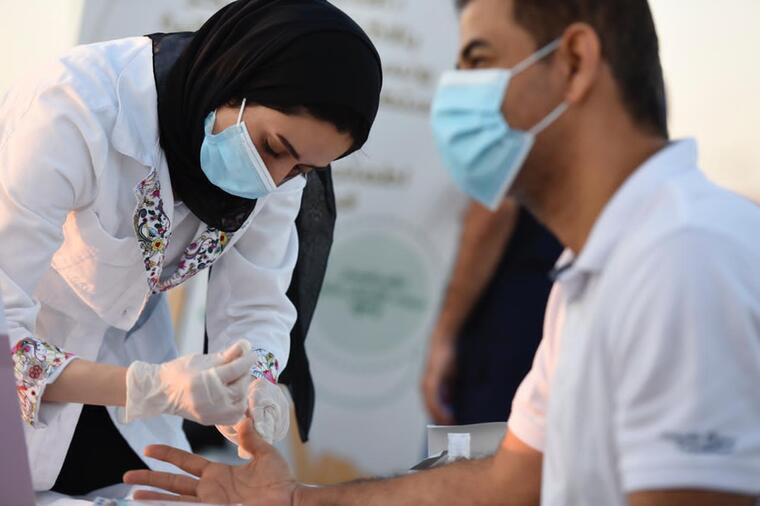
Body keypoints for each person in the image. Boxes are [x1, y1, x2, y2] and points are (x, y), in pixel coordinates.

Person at [123, 0, 760, 504]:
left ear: (574, 61)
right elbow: (511, 482)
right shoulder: (600, 271)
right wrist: (296, 501)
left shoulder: (681, 257)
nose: (455, 96)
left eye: (479, 59)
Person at [0, 0, 382, 495]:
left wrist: (252, 384)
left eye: (302, 170)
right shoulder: (72, 109)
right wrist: (149, 387)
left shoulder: (279, 169)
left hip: (120, 378)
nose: (274, 180)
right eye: (273, 148)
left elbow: (256, 303)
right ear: (231, 80)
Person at [421, 197, 561, 426]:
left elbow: (494, 206)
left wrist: (444, 334)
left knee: (474, 441)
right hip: (542, 310)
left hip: (509, 322)